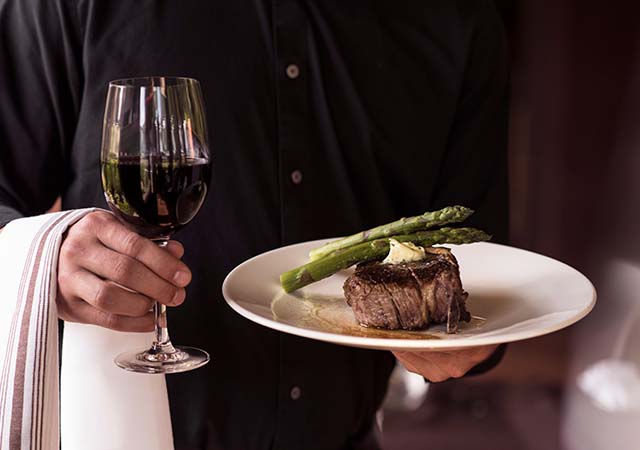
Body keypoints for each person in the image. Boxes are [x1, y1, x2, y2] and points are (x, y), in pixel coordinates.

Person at [0, 0, 508, 448]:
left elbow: (486, 261)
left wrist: (473, 336)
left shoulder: (460, 16)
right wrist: (49, 258)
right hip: (119, 435)